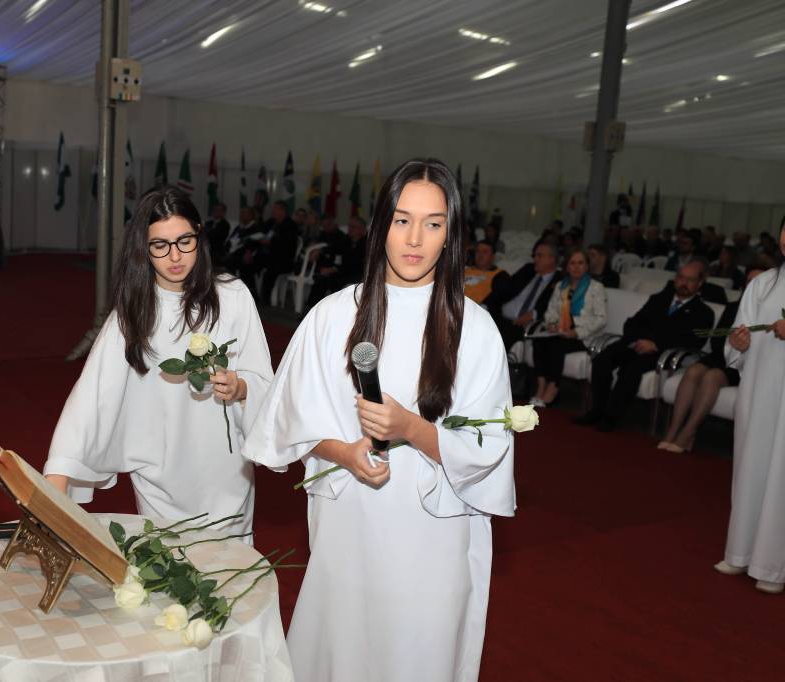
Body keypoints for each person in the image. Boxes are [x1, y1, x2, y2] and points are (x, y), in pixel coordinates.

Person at [244, 158, 514, 681]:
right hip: (353, 527)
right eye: (402, 219)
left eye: (433, 224)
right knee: (347, 649)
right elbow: (288, 423)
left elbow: (489, 449)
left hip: (433, 536)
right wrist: (344, 453)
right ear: (380, 225)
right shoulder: (332, 315)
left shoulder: (475, 329)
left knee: (418, 654)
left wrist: (410, 428)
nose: (414, 238)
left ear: (451, 235)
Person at [43, 187, 274, 537]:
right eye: (160, 245)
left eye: (185, 241)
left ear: (199, 234)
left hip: (225, 474)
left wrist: (240, 387)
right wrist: (54, 486)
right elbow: (91, 400)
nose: (175, 256)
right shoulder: (133, 314)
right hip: (159, 481)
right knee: (169, 565)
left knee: (230, 568)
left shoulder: (232, 296)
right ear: (144, 248)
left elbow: (264, 382)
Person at [717, 218, 785, 594]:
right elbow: (738, 335)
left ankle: (773, 566)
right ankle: (740, 551)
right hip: (758, 391)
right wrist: (738, 343)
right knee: (751, 468)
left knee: (780, 477)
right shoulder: (763, 283)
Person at [575, 260, 714, 432]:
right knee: (602, 359)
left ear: (699, 283)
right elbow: (633, 323)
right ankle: (596, 411)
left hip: (662, 353)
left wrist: (656, 345)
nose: (683, 283)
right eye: (680, 277)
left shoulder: (703, 312)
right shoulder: (659, 299)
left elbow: (693, 341)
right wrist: (637, 339)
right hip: (635, 343)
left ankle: (611, 418)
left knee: (631, 369)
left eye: (690, 279)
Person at [659, 267, 764, 453]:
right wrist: (731, 344)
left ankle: (689, 432)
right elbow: (717, 340)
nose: (752, 285)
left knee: (712, 376)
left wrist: (741, 346)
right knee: (693, 371)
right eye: (749, 280)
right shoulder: (733, 307)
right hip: (722, 355)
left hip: (746, 364)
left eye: (758, 281)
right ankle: (673, 429)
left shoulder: (769, 314)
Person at [530, 248, 607, 407]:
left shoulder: (596, 287)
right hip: (560, 331)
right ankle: (541, 386)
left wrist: (576, 332)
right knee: (538, 341)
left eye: (581, 263)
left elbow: (601, 319)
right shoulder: (560, 286)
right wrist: (551, 324)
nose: (576, 267)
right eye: (572, 263)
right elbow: (551, 312)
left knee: (557, 346)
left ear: (587, 266)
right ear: (567, 266)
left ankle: (553, 388)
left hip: (583, 335)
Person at [484, 241, 561, 349]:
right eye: (535, 255)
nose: (535, 259)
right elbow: (506, 289)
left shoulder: (559, 280)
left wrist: (534, 314)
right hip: (499, 315)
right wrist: (485, 305)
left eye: (539, 256)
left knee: (503, 335)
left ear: (552, 259)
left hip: (520, 324)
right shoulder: (528, 269)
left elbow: (553, 304)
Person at [306, 215, 368, 307]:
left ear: (362, 229)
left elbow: (354, 264)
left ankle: (330, 309)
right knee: (320, 278)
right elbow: (334, 248)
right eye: (349, 226)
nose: (350, 229)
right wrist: (320, 250)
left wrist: (333, 269)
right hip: (342, 271)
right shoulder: (347, 239)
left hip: (356, 274)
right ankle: (312, 308)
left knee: (329, 280)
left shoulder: (366, 244)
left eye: (353, 227)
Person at [463, 239, 509, 304]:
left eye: (485, 252)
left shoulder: (500, 275)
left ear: (493, 256)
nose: (480, 255)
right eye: (477, 251)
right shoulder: (465, 270)